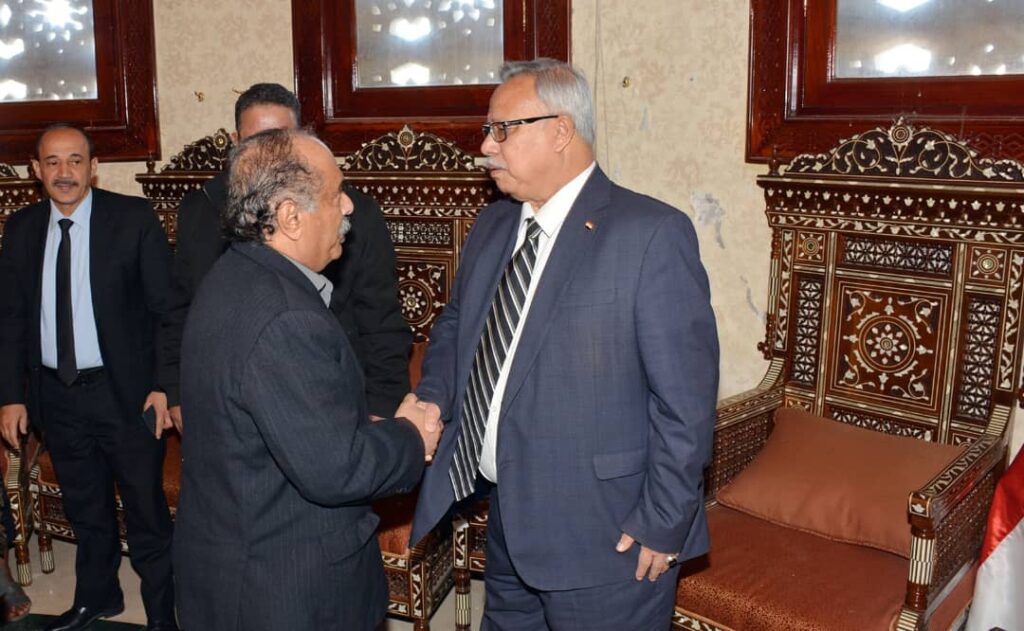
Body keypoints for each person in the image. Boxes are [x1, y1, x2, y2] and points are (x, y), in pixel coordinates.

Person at [406, 59, 720, 630]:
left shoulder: (650, 234)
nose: (486, 146)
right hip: (509, 523)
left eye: (503, 129)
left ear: (561, 130)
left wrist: (663, 521)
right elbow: (456, 324)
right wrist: (432, 396)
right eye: (487, 130)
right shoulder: (493, 225)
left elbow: (685, 403)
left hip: (608, 538)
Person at [172, 128, 441, 631]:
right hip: (283, 590)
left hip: (233, 567)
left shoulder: (231, 276)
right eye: (336, 194)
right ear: (290, 217)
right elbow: (337, 469)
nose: (349, 207)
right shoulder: (285, 317)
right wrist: (412, 436)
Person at [0, 124, 176, 631]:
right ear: (36, 170)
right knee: (85, 508)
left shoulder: (132, 219)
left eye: (75, 160)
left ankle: (163, 614)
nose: (65, 172)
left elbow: (167, 310)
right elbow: (10, 319)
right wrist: (11, 396)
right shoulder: (21, 228)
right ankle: (98, 598)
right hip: (56, 395)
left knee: (146, 512)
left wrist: (164, 385)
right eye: (53, 162)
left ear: (93, 167)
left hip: (126, 396)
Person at [160, 82, 410, 431]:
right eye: (257, 143)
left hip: (326, 397)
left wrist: (382, 408)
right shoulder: (202, 208)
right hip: (229, 402)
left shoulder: (349, 211)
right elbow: (181, 308)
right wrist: (174, 388)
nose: (272, 158)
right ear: (235, 143)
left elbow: (381, 323)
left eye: (282, 141)